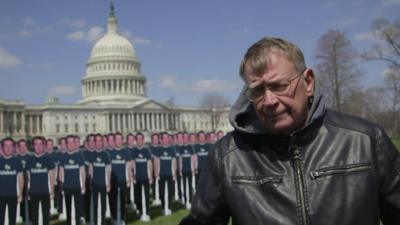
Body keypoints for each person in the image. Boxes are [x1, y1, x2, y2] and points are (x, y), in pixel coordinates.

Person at [180, 37, 400, 225]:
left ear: (309, 82)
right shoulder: (228, 156)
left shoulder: (366, 141)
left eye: (278, 86)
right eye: (257, 91)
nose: (269, 101)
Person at [26, 136, 55, 225]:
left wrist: (52, 191)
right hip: (34, 192)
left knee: (45, 215)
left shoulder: (48, 160)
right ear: (33, 146)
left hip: (45, 191)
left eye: (40, 144)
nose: (38, 146)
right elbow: (28, 177)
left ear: (44, 146)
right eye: (36, 144)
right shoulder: (29, 160)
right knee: (34, 216)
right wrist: (28, 191)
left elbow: (51, 176)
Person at [59, 135, 86, 225]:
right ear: (66, 144)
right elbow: (61, 172)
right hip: (67, 187)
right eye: (69, 142)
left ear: (75, 144)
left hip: (77, 186)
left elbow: (82, 171)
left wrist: (83, 186)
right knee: (69, 208)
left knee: (78, 207)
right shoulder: (63, 157)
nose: (70, 144)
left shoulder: (79, 156)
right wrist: (61, 186)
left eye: (72, 142)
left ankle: (78, 222)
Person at [0, 138, 23, 225]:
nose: (8, 148)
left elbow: (20, 178)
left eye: (10, 146)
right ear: (2, 148)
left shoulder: (17, 161)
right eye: (6, 146)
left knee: (12, 219)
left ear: (13, 148)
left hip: (12, 194)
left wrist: (20, 193)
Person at [90, 133, 111, 225]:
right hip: (94, 183)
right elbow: (90, 169)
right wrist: (90, 181)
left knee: (103, 205)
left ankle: (102, 222)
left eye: (100, 141)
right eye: (96, 141)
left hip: (103, 183)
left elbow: (108, 169)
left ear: (102, 142)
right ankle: (94, 222)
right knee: (94, 205)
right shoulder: (92, 154)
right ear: (94, 142)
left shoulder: (105, 154)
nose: (98, 143)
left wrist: (108, 183)